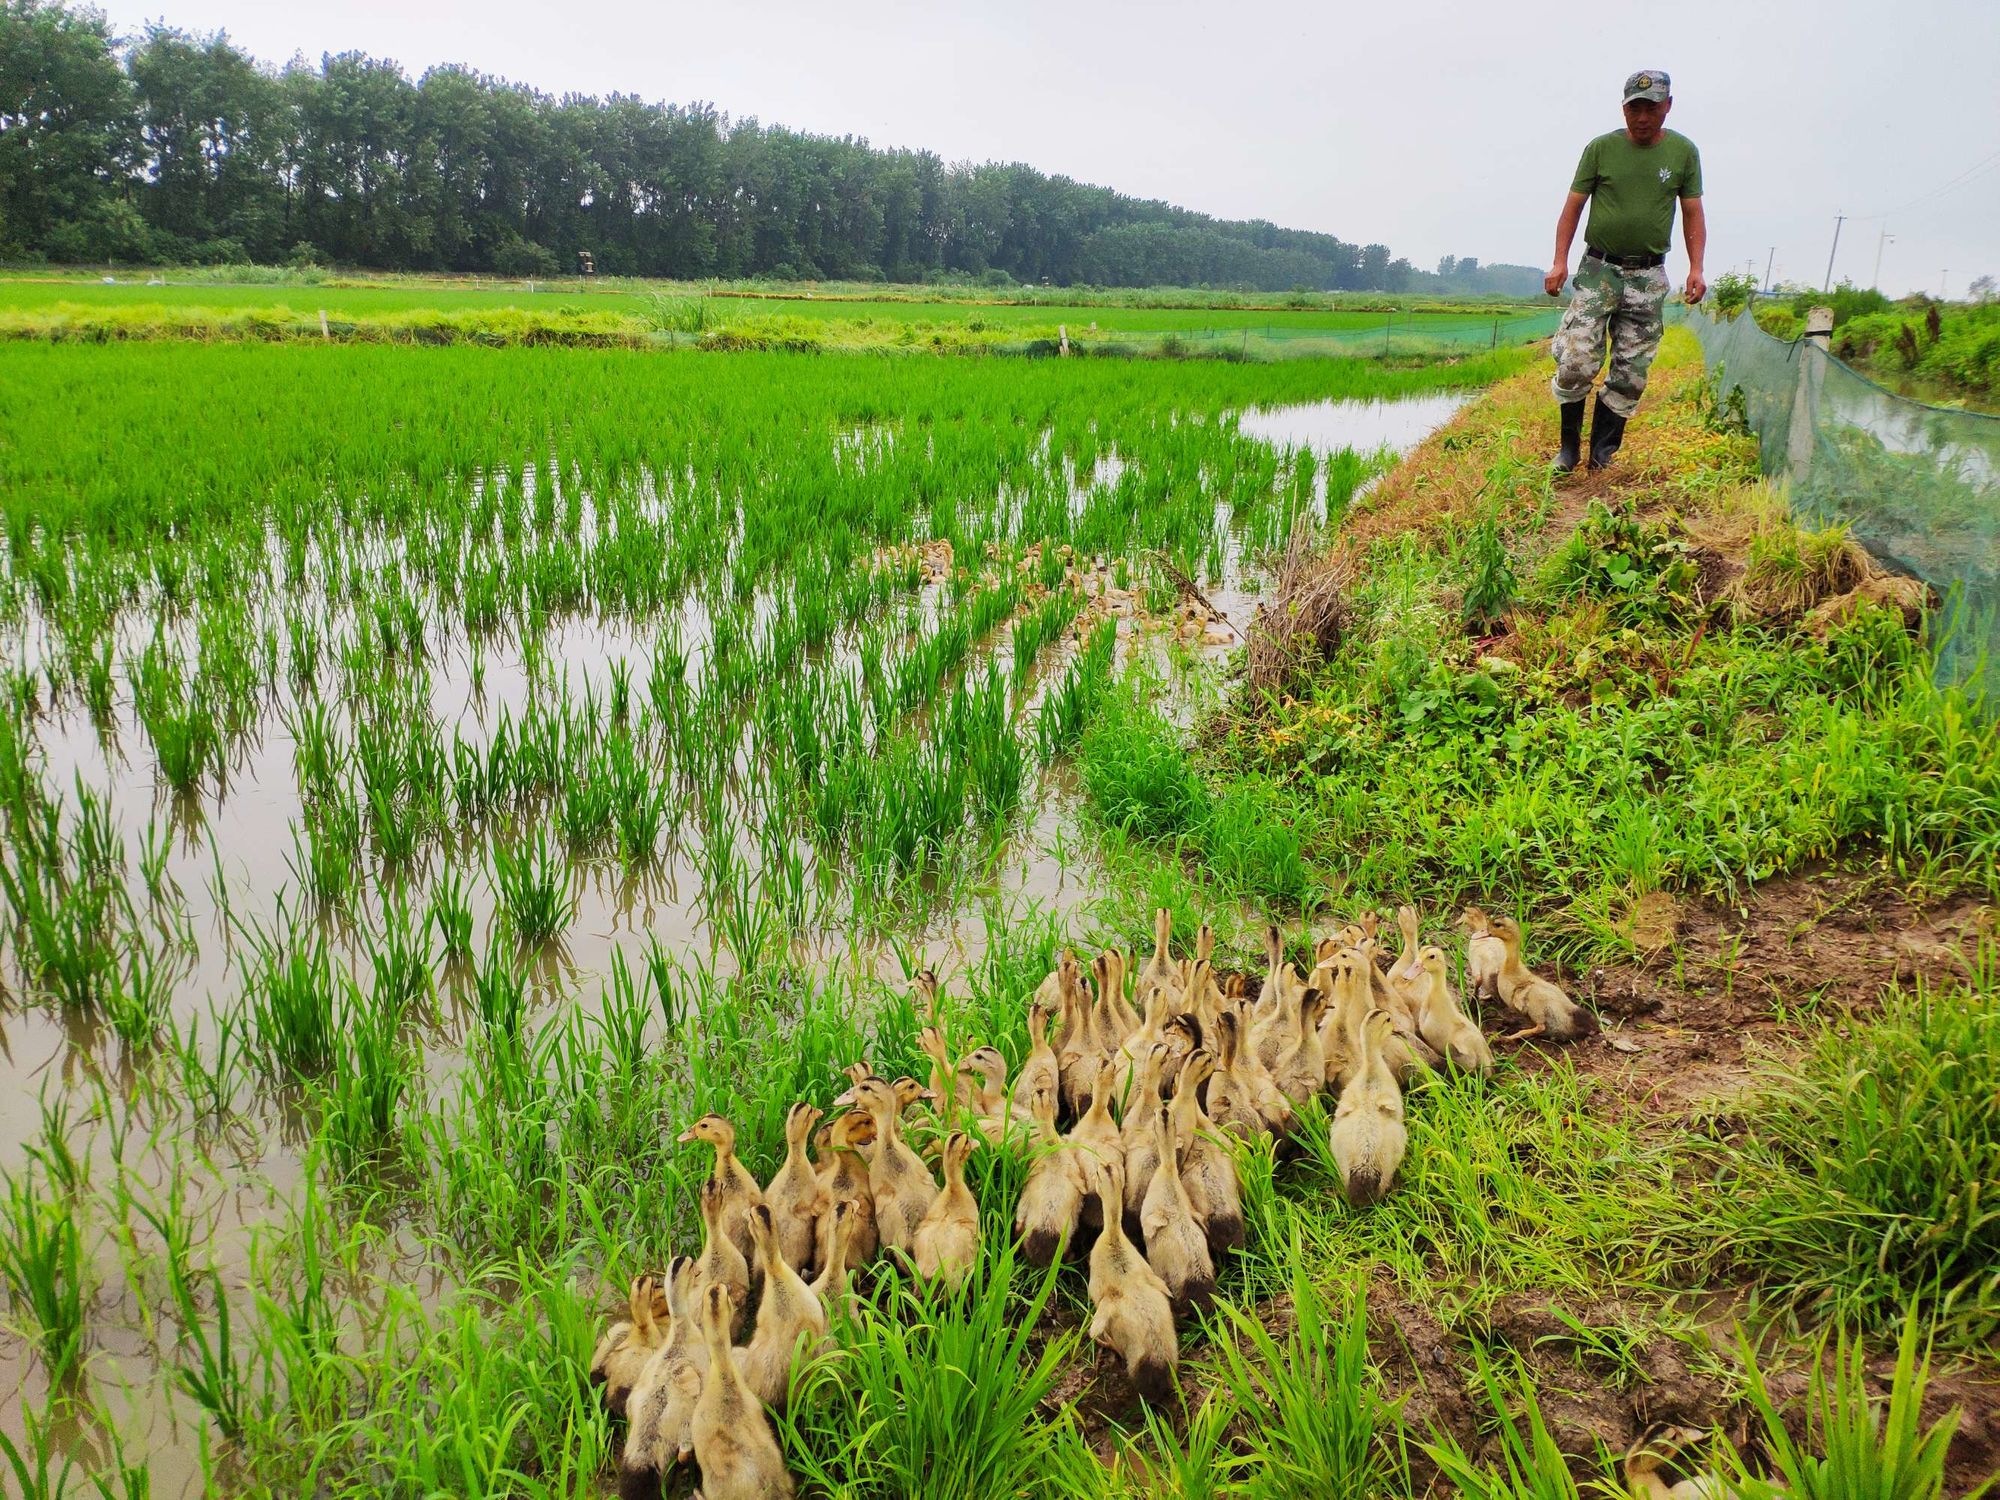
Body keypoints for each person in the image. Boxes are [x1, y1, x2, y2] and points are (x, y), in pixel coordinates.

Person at [1544, 70, 1706, 473]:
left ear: (1667, 107)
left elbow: (1693, 213)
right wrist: (1560, 260)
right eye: (1635, 107)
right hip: (1600, 270)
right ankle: (1568, 450)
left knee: (1631, 371)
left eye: (1651, 108)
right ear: (1624, 108)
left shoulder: (1684, 153)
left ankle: (1602, 455)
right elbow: (1573, 207)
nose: (1643, 117)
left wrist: (1697, 268)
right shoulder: (1601, 149)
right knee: (1578, 359)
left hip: (1649, 277)